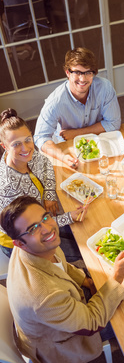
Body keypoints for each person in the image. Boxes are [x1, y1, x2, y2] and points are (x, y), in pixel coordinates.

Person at [1, 196, 124, 363]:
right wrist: (118, 277)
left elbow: (61, 265)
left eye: (45, 217)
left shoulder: (34, 248)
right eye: (33, 228)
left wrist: (87, 281)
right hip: (63, 341)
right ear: (19, 243)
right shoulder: (42, 297)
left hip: (58, 310)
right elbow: (91, 323)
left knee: (102, 280)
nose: (47, 229)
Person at [0, 108, 87, 261]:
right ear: (4, 146)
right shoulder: (9, 187)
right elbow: (32, 228)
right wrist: (68, 217)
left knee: (84, 233)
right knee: (82, 250)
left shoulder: (27, 155)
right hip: (24, 238)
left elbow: (46, 164)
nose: (25, 148)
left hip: (40, 216)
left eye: (28, 139)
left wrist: (49, 194)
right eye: (16, 144)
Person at [34, 47, 121, 169]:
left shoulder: (105, 87)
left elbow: (113, 123)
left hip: (98, 143)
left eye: (88, 72)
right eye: (77, 72)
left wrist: (76, 133)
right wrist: (63, 157)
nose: (83, 79)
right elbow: (40, 137)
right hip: (67, 147)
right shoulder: (55, 101)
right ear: (67, 72)